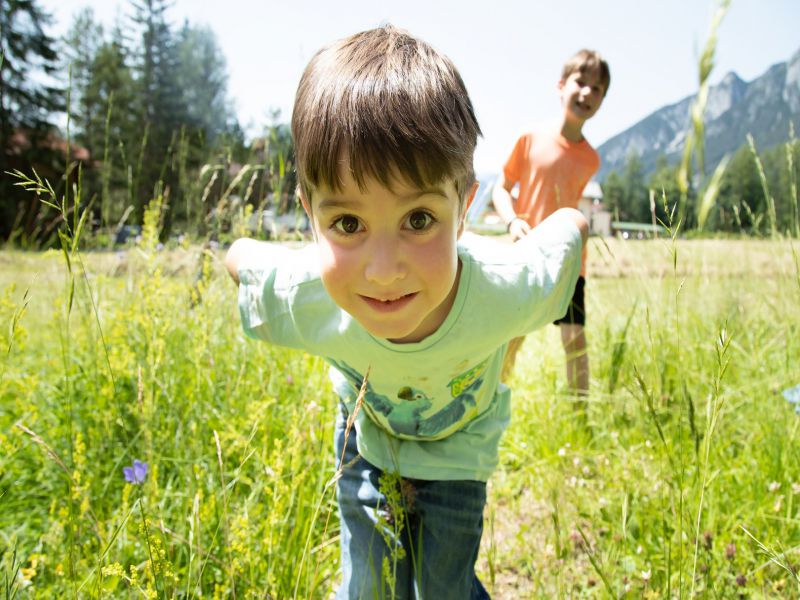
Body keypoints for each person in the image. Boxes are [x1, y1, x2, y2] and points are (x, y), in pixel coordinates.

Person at [225, 25, 587, 599]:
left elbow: (562, 242)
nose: (384, 270)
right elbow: (241, 259)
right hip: (367, 445)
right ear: (311, 214)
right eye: (347, 223)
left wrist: (573, 221)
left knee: (443, 589)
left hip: (459, 453)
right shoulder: (310, 293)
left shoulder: (506, 291)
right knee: (370, 588)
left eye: (418, 219)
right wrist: (298, 258)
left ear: (463, 210)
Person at [493, 49, 610, 397]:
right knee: (510, 337)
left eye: (597, 89)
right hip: (526, 254)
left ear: (602, 100)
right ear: (561, 86)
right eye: (581, 82)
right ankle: (491, 404)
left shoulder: (591, 158)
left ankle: (580, 416)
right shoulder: (529, 138)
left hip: (570, 263)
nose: (587, 93)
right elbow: (501, 188)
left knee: (575, 341)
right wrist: (513, 221)